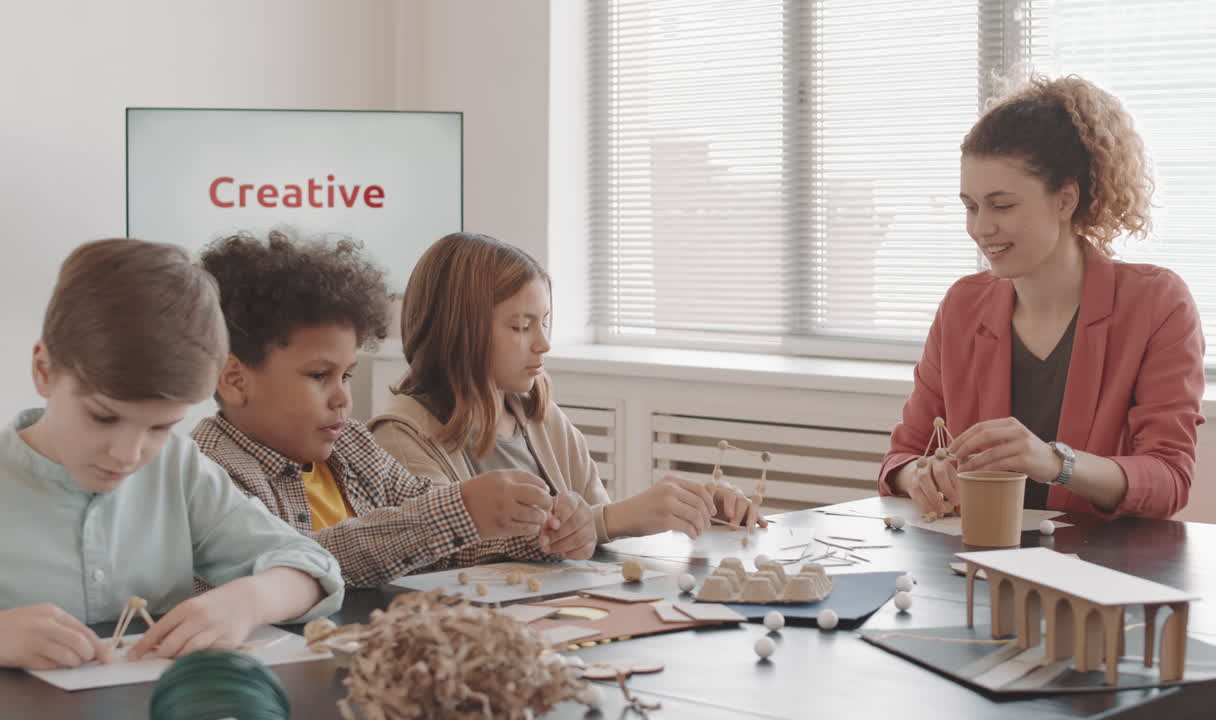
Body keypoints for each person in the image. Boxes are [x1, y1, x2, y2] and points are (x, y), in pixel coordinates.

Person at [0, 239, 342, 671]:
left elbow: (314, 567)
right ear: (44, 371)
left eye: (161, 427)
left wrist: (249, 600)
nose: (127, 454)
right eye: (103, 418)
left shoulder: (178, 469)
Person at [879, 74, 1205, 519]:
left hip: (1095, 571)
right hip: (971, 563)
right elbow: (899, 460)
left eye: (1002, 205)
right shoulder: (961, 306)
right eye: (970, 207)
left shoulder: (1156, 304)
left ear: (1065, 200)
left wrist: (1055, 463)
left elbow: (1169, 479)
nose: (980, 228)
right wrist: (919, 476)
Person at [193, 232, 580, 589]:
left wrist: (538, 531)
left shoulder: (353, 446)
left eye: (346, 375)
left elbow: (444, 530)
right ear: (235, 380)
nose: (343, 398)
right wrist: (461, 510)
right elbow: (295, 562)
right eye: (318, 375)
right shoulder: (209, 472)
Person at [369, 232, 766, 543]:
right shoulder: (399, 439)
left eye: (545, 322)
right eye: (521, 327)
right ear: (458, 332)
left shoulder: (542, 420)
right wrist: (621, 517)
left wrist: (692, 510)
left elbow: (595, 539)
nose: (543, 343)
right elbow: (445, 555)